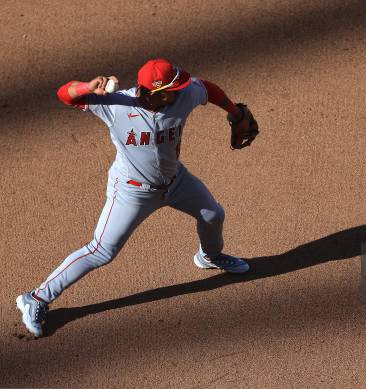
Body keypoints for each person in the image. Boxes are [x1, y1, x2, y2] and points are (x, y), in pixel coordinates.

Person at [16, 58, 257, 337]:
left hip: (176, 181)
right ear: (155, 92)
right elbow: (65, 95)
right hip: (132, 191)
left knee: (213, 214)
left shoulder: (184, 94)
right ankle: (36, 298)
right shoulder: (116, 105)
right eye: (173, 88)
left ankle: (210, 256)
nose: (181, 90)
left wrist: (235, 114)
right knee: (101, 251)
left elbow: (208, 89)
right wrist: (86, 86)